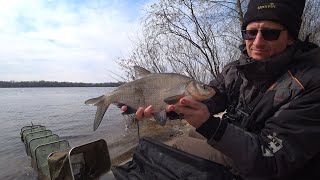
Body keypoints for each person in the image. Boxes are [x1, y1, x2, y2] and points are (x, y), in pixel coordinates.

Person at [123, 0, 320, 179]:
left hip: (265, 160)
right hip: (240, 135)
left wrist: (209, 125)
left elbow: (273, 160)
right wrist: (172, 108)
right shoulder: (236, 68)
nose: (257, 42)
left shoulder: (311, 82)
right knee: (189, 136)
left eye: (270, 33)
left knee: (179, 147)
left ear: (291, 38)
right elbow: (214, 95)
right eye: (251, 33)